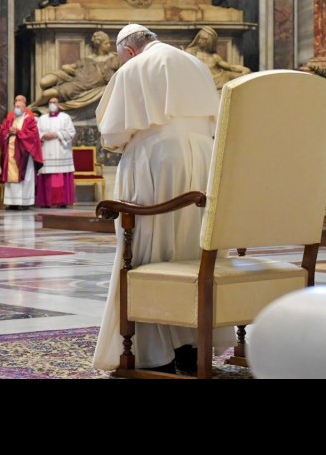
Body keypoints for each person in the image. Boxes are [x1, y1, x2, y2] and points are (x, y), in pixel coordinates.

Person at [92, 23, 234, 375]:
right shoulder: (195, 63)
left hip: (157, 158)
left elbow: (114, 131)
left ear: (128, 50)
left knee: (149, 249)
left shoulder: (135, 68)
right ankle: (191, 347)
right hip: (204, 157)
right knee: (191, 249)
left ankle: (155, 353)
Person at [29, 31, 121, 111]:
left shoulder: (115, 59)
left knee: (47, 94)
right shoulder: (87, 59)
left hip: (81, 86)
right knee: (44, 82)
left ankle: (31, 107)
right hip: (76, 78)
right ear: (98, 45)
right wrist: (65, 67)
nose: (109, 46)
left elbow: (122, 75)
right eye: (106, 43)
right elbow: (72, 66)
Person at [0, 96, 43, 210]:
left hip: (24, 154)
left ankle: (24, 202)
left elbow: (32, 135)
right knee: (11, 177)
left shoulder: (29, 120)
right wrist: (8, 132)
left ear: (24, 108)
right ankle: (12, 202)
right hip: (11, 153)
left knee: (26, 177)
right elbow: (2, 131)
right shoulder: (10, 120)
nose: (16, 109)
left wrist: (18, 133)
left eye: (19, 107)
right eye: (15, 106)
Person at [36, 97, 76, 209]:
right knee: (47, 177)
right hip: (47, 150)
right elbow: (36, 132)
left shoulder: (65, 117)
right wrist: (43, 136)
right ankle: (46, 201)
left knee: (61, 176)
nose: (52, 104)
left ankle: (62, 201)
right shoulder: (42, 118)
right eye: (50, 102)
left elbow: (71, 132)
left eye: (54, 102)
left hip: (61, 151)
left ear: (58, 104)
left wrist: (57, 134)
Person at [185, 26, 250, 90]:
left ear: (209, 41)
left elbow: (231, 67)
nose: (199, 41)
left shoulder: (214, 57)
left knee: (243, 76)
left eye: (203, 39)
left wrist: (244, 69)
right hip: (203, 81)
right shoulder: (191, 52)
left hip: (221, 78)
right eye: (199, 38)